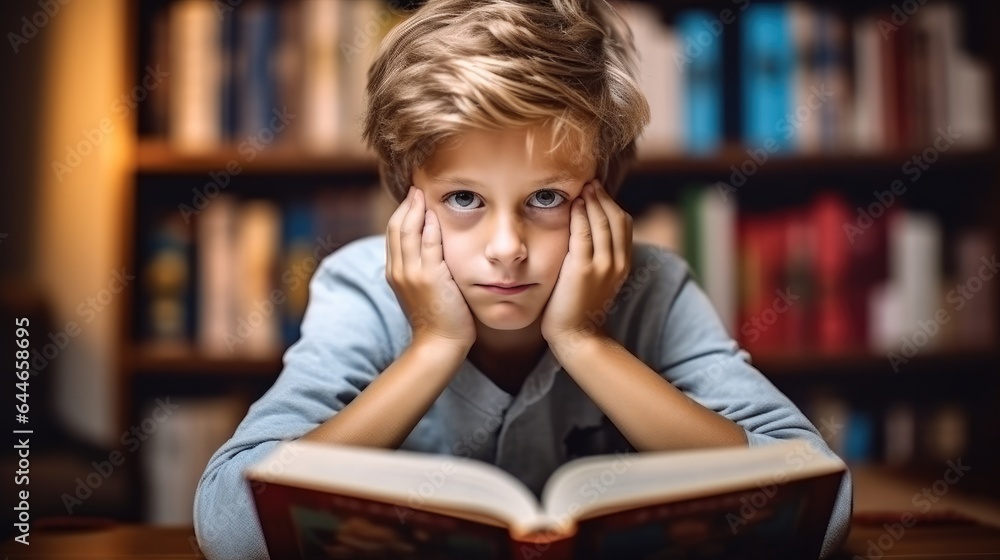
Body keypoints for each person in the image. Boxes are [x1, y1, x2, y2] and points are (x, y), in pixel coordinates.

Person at [193, 1, 852, 558]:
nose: (506, 249)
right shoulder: (361, 289)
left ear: (605, 198)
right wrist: (431, 347)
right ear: (406, 199)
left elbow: (824, 503)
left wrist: (584, 342)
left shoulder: (653, 287)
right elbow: (229, 526)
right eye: (463, 199)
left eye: (546, 199)